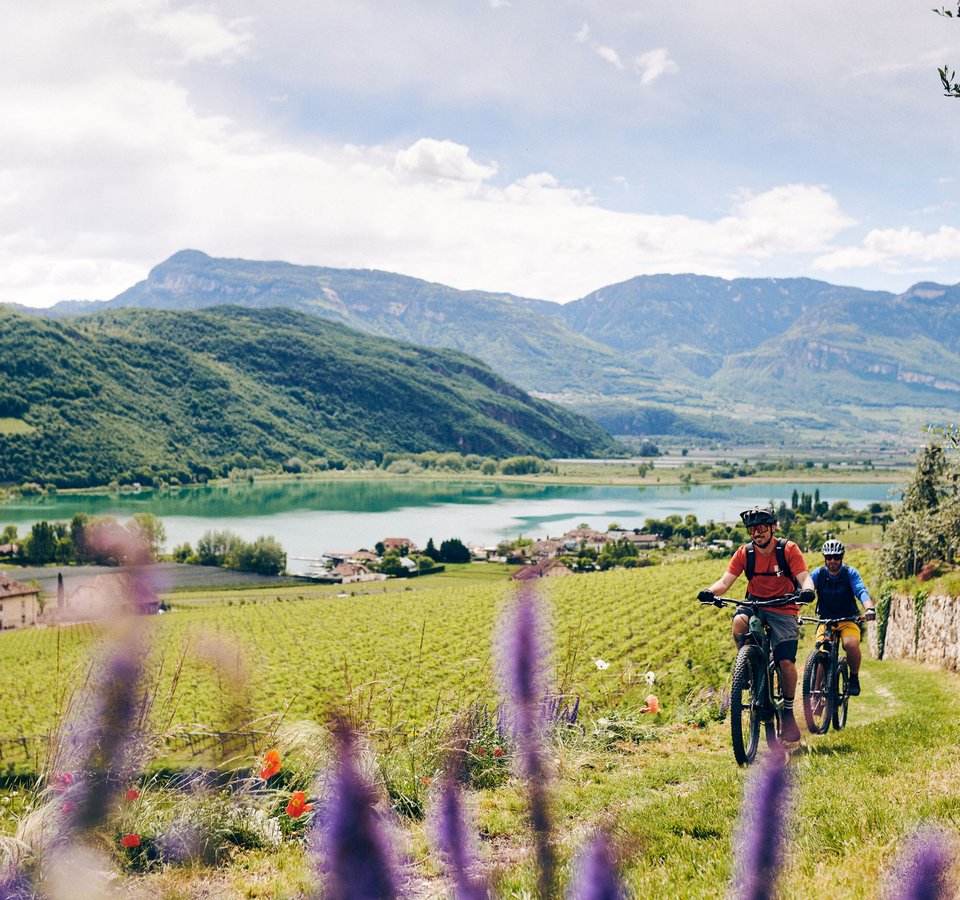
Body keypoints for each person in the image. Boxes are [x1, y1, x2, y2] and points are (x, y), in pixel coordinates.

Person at [698, 505, 815, 744]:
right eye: (752, 529)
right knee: (739, 624)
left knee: (785, 661)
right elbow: (725, 582)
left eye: (761, 527)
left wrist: (808, 590)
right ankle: (749, 668)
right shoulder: (745, 553)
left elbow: (804, 577)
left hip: (784, 607)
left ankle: (787, 710)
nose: (757, 533)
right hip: (755, 605)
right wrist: (710, 592)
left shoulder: (788, 550)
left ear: (772, 528)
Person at [810, 538, 876, 696]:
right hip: (826, 622)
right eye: (829, 557)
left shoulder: (849, 573)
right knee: (821, 652)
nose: (833, 561)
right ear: (824, 558)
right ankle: (816, 694)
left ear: (842, 557)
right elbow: (807, 589)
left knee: (851, 644)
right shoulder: (818, 574)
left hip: (848, 620)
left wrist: (869, 608)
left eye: (837, 557)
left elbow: (861, 591)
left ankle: (853, 677)